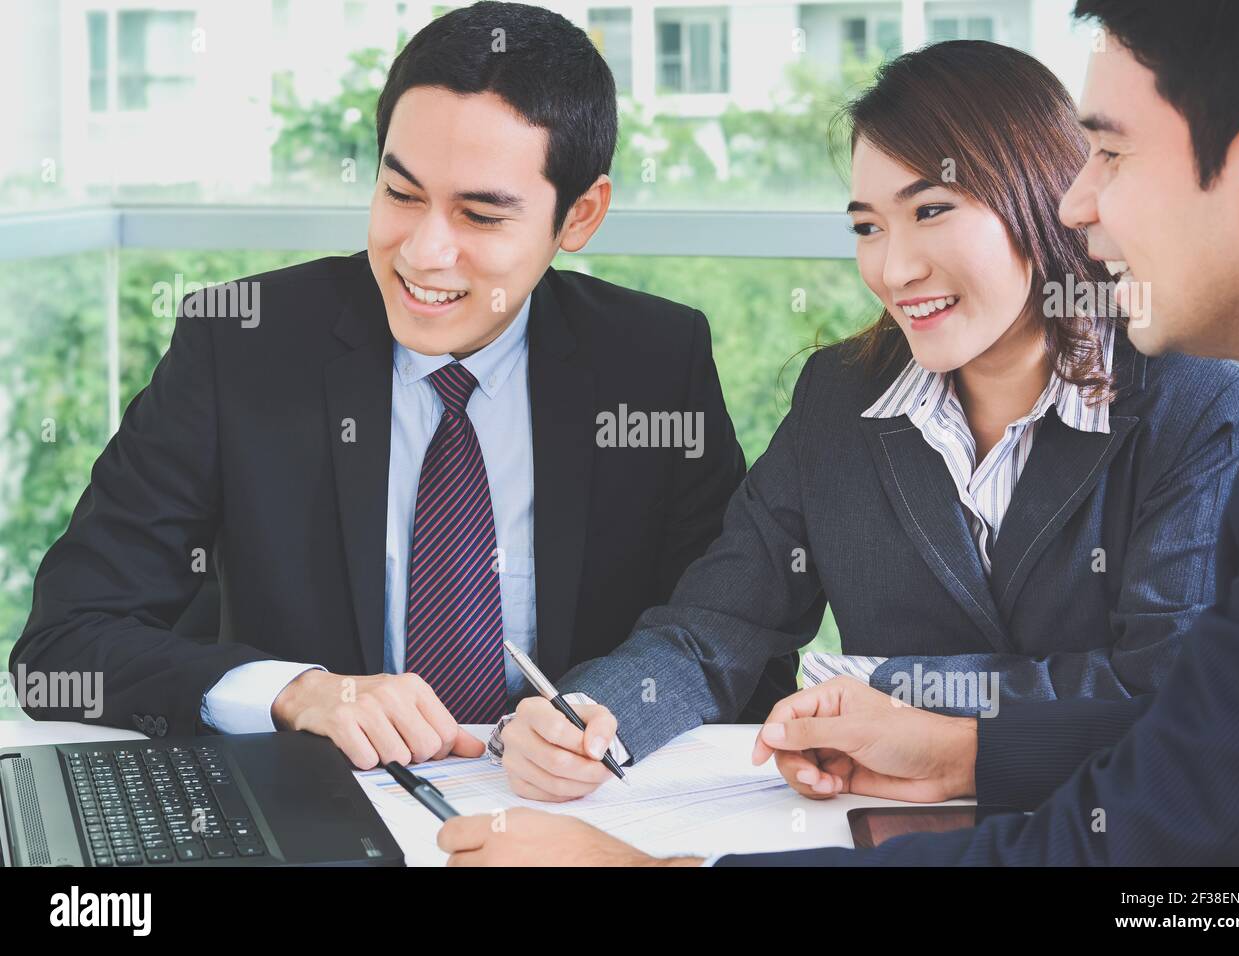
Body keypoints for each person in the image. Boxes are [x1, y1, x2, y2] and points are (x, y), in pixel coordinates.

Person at [438, 0, 1239, 865]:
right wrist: (590, 714)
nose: (893, 267)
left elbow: (1166, 687)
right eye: (866, 226)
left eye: (932, 210)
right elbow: (714, 629)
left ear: (1038, 193)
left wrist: (903, 696)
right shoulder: (841, 401)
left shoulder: (1197, 397)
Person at [10, 1, 802, 770]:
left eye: (481, 216)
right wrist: (295, 692)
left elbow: (736, 645)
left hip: (568, 819)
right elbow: (61, 647)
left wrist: (605, 726)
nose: (423, 254)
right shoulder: (239, 343)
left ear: (580, 216)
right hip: (319, 816)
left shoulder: (655, 363)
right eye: (401, 193)